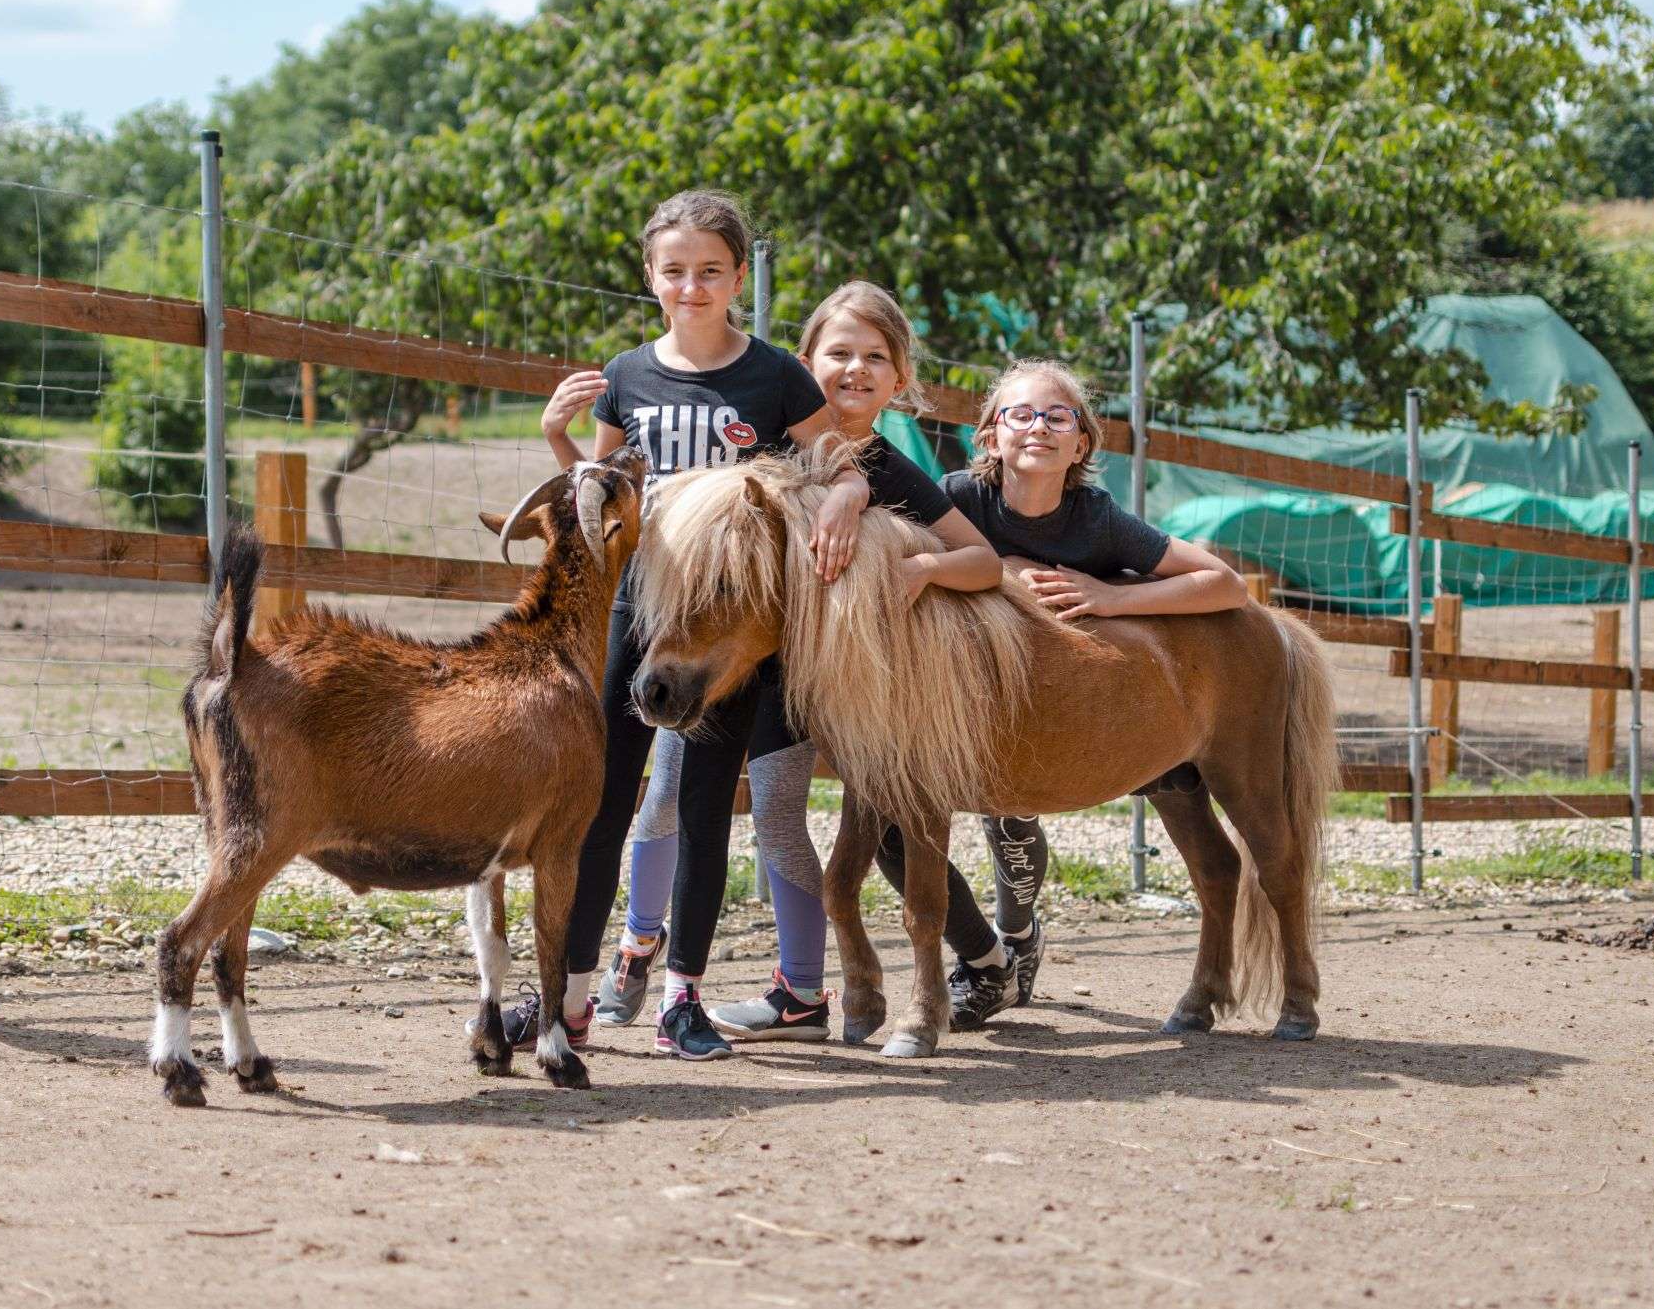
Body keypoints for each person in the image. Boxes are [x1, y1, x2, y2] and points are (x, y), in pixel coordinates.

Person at [507, 190, 869, 1062]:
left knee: (708, 810)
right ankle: (574, 994)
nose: (692, 287)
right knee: (600, 804)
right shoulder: (627, 374)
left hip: (720, 631)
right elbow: (601, 497)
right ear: (651, 277)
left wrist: (849, 495)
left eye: (710, 271)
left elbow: (838, 465)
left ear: (738, 276)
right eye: (675, 271)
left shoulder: (778, 375)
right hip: (636, 613)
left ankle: (683, 999)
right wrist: (559, 439)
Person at [600, 281, 1000, 1041]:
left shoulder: (886, 468)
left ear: (900, 377)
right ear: (802, 364)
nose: (854, 370)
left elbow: (984, 561)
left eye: (875, 357)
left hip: (820, 686)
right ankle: (635, 947)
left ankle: (811, 988)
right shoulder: (769, 447)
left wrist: (918, 570)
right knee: (668, 799)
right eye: (836, 353)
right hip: (734, 664)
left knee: (810, 819)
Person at [886, 356, 1246, 1030]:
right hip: (967, 702)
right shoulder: (956, 498)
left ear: (1082, 443)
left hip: (1066, 709)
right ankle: (988, 952)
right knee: (935, 825)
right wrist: (1000, 571)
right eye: (1019, 413)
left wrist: (1113, 595)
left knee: (1014, 818)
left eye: (1059, 416)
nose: (1039, 427)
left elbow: (1226, 585)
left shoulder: (1098, 521)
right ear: (989, 434)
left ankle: (1018, 934)